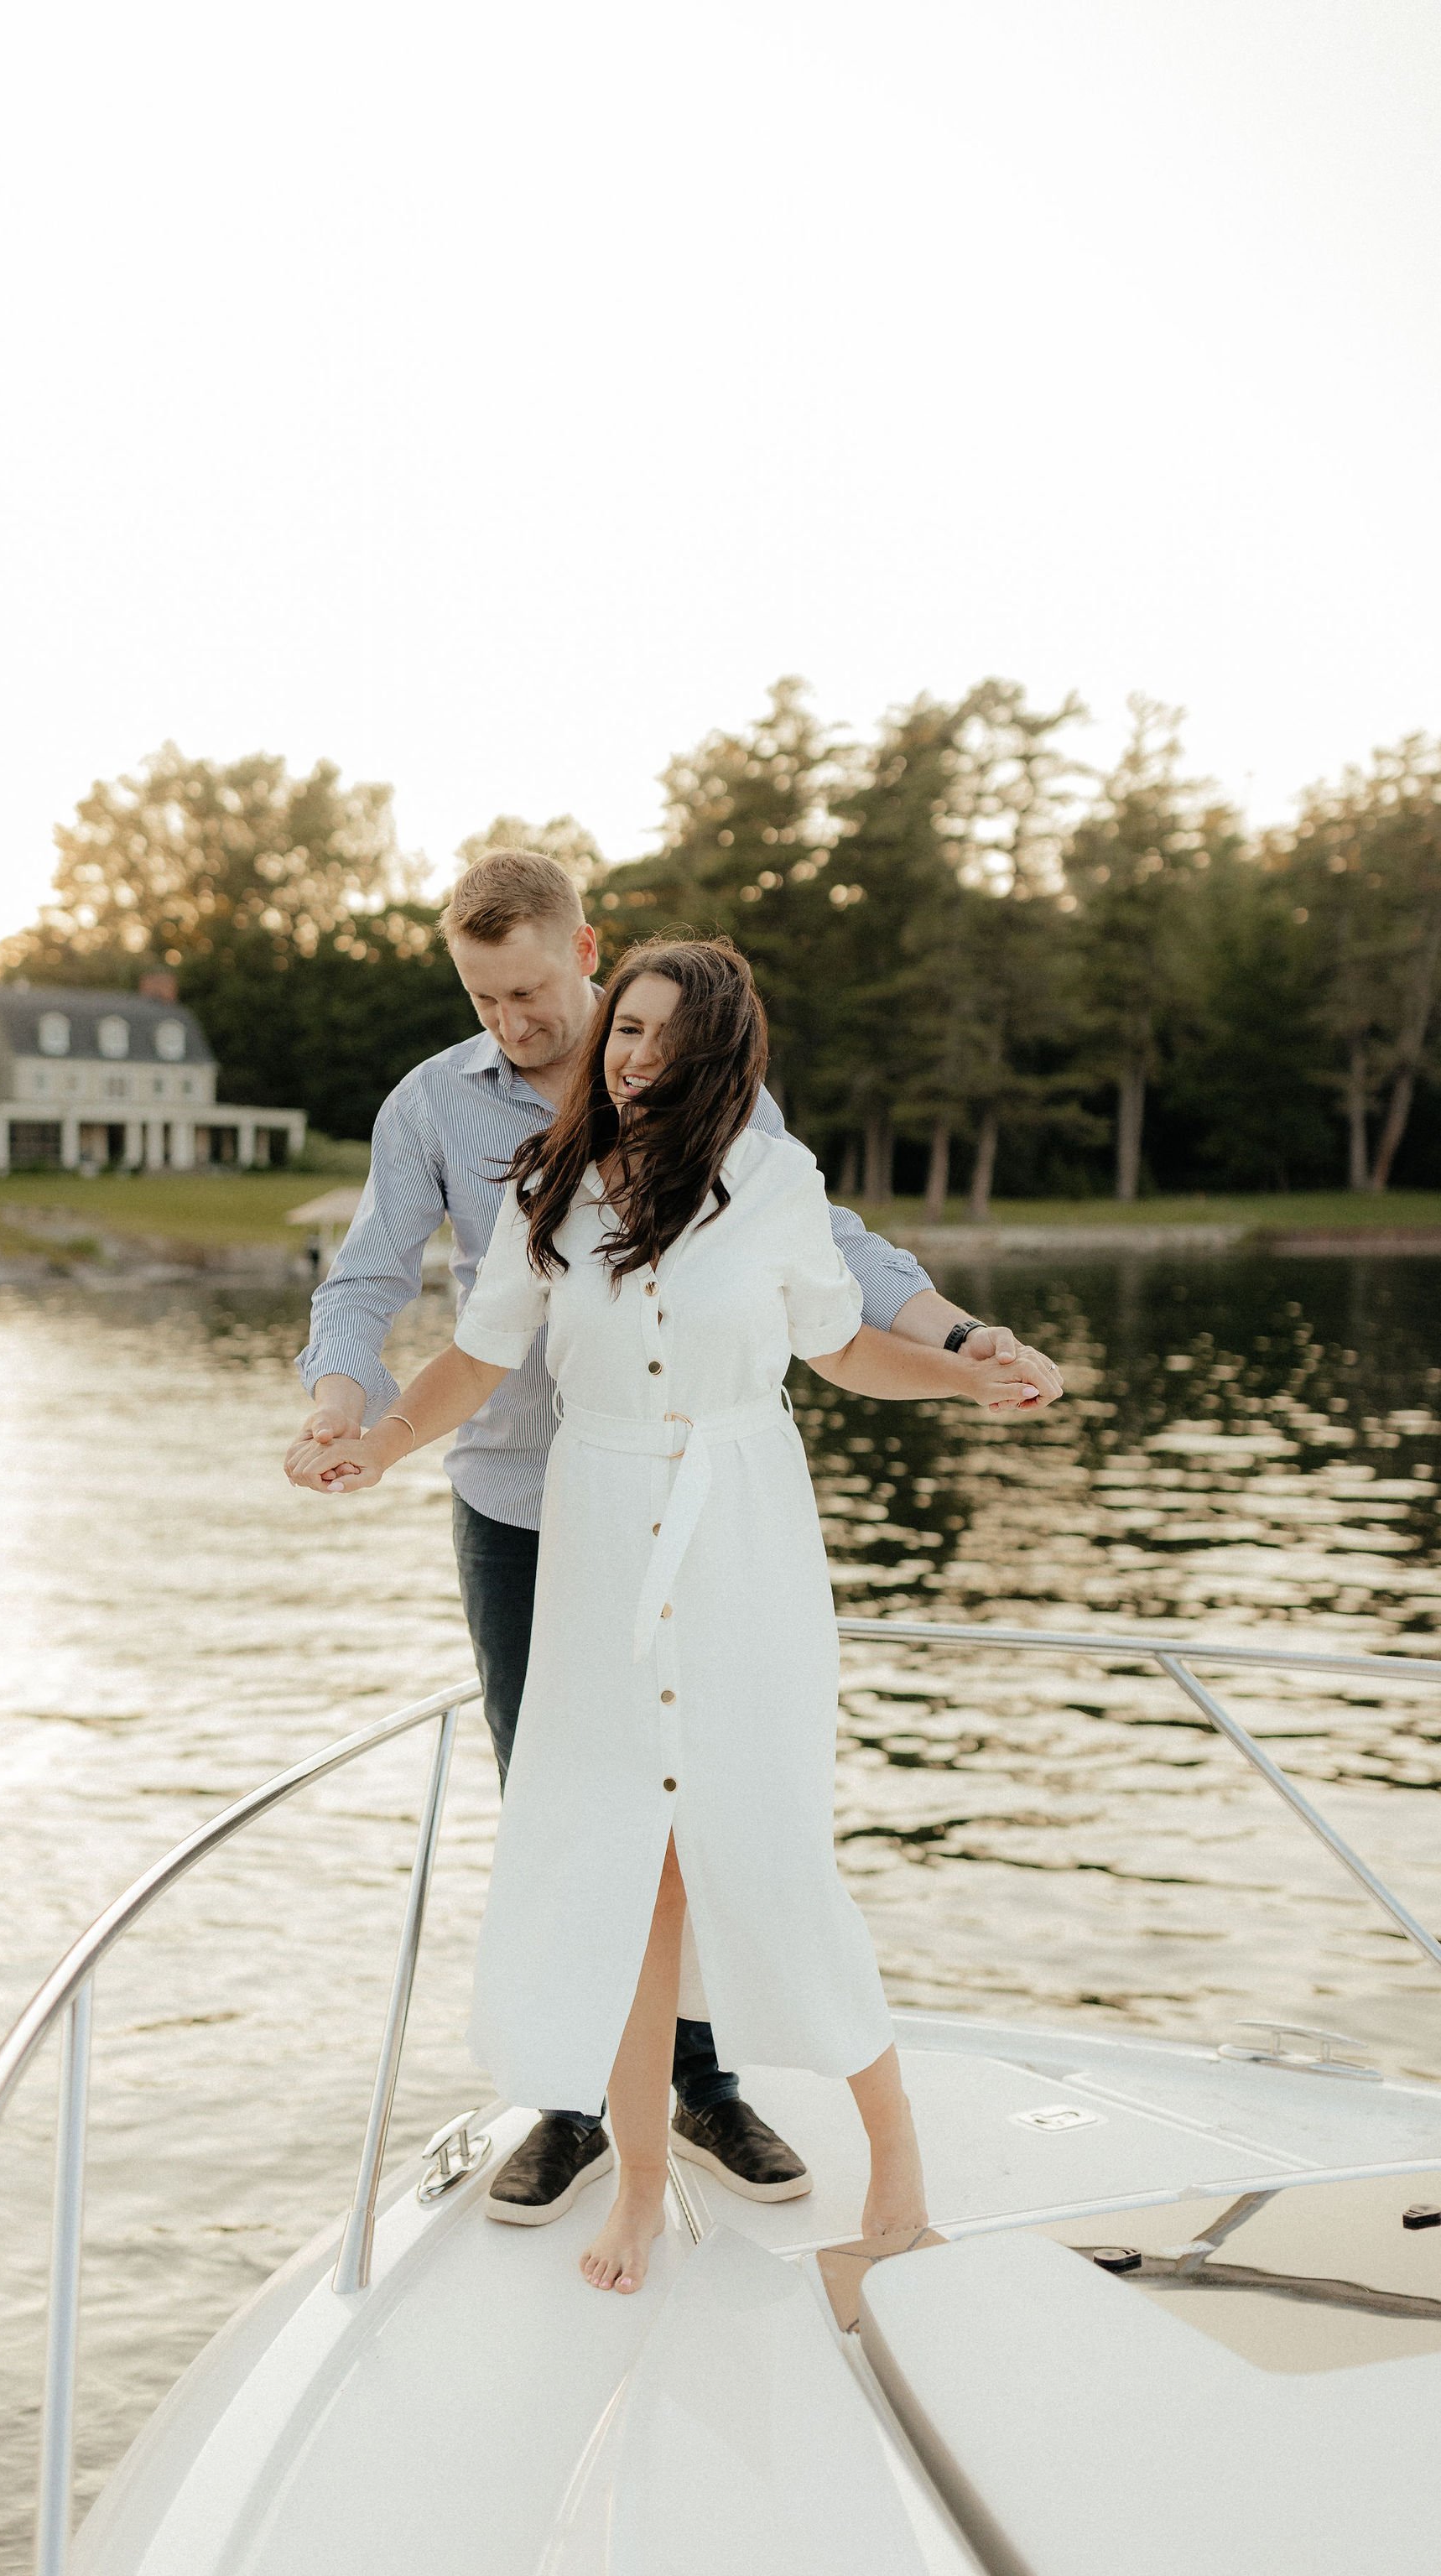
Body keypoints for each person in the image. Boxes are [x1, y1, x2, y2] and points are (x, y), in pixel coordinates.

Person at [289, 850, 1063, 2227]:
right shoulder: (505, 1153)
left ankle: (741, 2106)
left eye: (537, 992)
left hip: (733, 1536)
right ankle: (597, 2132)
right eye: (484, 995)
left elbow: (837, 1310)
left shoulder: (760, 1163)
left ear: (584, 954)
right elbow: (416, 1315)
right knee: (584, 1834)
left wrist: (964, 1353)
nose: (520, 1022)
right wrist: (356, 1427)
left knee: (750, 1835)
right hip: (550, 1514)